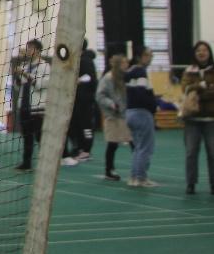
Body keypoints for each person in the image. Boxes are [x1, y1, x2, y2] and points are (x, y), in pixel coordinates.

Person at [181, 41, 214, 195]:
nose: (201, 53)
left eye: (204, 50)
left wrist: (198, 90)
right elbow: (185, 89)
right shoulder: (188, 71)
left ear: (209, 52)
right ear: (194, 53)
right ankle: (191, 183)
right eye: (198, 50)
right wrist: (204, 86)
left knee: (213, 154)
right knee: (191, 153)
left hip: (213, 119)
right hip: (192, 120)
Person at [125, 46, 158, 188]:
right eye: (147, 55)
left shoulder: (129, 71)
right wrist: (152, 105)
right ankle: (141, 178)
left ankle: (134, 177)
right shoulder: (140, 71)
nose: (150, 58)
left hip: (129, 112)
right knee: (145, 147)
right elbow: (140, 92)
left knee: (138, 147)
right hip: (141, 113)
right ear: (139, 57)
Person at [14, 40, 49, 172]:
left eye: (31, 48)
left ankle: (45, 163)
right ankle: (26, 163)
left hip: (37, 107)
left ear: (38, 50)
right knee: (27, 137)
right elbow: (18, 86)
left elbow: (41, 85)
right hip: (24, 106)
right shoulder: (25, 65)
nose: (28, 51)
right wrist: (18, 76)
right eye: (27, 48)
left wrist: (25, 74)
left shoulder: (45, 66)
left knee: (40, 137)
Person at [95, 53, 131, 181]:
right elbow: (99, 96)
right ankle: (109, 170)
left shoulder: (126, 77)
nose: (127, 65)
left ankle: (138, 170)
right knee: (113, 143)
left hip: (126, 114)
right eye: (124, 63)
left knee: (134, 142)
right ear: (118, 64)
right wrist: (112, 104)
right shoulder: (108, 78)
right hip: (113, 116)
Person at [68, 39, 98, 162]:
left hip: (85, 101)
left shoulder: (86, 60)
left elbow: (90, 77)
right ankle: (79, 148)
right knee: (75, 125)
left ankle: (86, 151)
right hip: (77, 100)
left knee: (86, 126)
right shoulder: (76, 60)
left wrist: (77, 80)